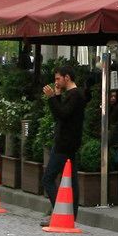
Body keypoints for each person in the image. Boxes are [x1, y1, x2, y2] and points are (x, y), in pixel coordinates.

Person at [40, 63, 88, 223]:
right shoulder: (73, 94)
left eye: (58, 79)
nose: (56, 82)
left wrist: (53, 97)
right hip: (69, 142)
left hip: (65, 143)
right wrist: (58, 96)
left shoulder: (75, 95)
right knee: (72, 181)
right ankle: (70, 214)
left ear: (67, 77)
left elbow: (63, 114)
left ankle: (59, 211)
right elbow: (59, 115)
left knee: (48, 178)